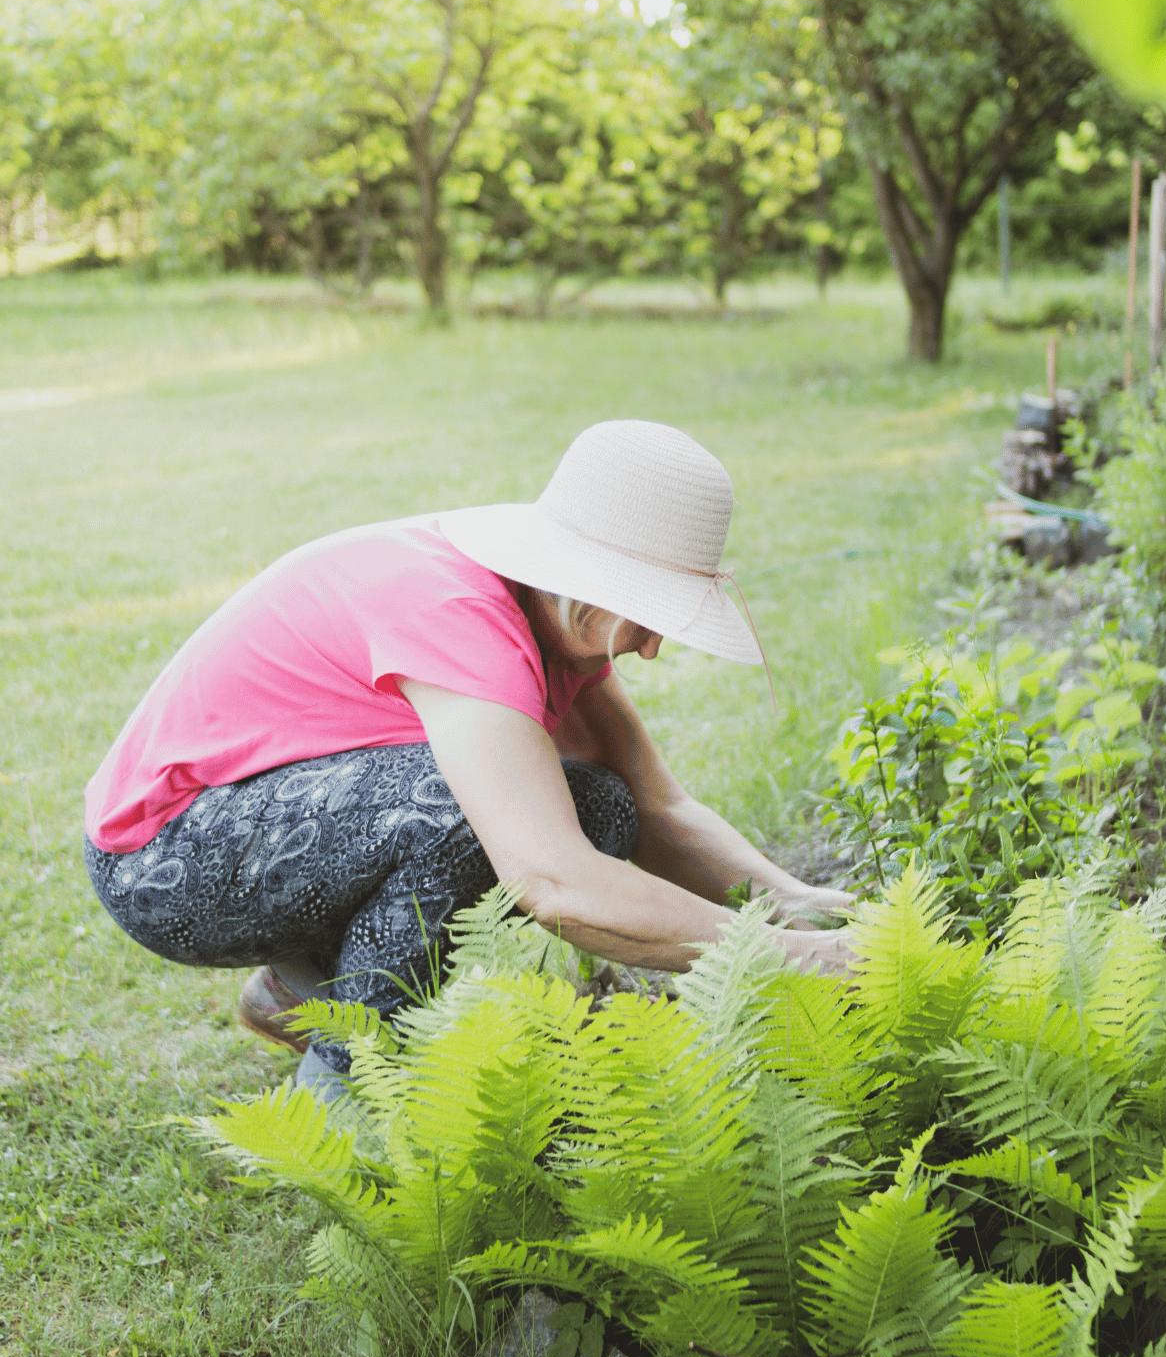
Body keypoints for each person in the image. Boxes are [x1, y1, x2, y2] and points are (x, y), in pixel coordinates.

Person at [83, 419, 854, 1093]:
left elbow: (660, 808)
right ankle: (353, 1087)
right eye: (649, 615)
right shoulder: (459, 618)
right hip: (163, 859)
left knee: (601, 805)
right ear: (587, 582)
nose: (652, 648)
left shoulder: (553, 619)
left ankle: (300, 988)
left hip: (260, 826)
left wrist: (816, 911)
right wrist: (794, 957)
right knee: (466, 819)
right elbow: (553, 880)